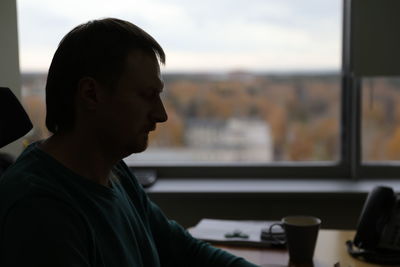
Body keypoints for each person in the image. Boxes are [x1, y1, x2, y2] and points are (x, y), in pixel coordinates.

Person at [0, 18, 259, 267]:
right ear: (91, 94)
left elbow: (184, 251)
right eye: (147, 96)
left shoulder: (113, 172)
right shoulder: (40, 210)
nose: (161, 114)